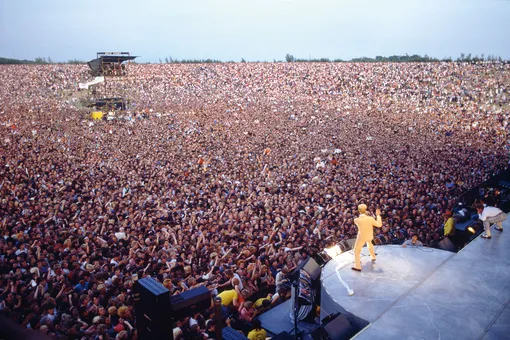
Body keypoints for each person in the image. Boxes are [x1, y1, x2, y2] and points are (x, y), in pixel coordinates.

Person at [352, 204, 382, 272]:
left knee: (356, 251)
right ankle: (373, 256)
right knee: (369, 243)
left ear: (359, 211)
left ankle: (358, 267)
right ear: (365, 210)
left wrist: (364, 214)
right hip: (369, 236)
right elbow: (379, 225)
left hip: (361, 237)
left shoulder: (356, 220)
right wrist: (378, 215)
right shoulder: (370, 218)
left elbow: (361, 219)